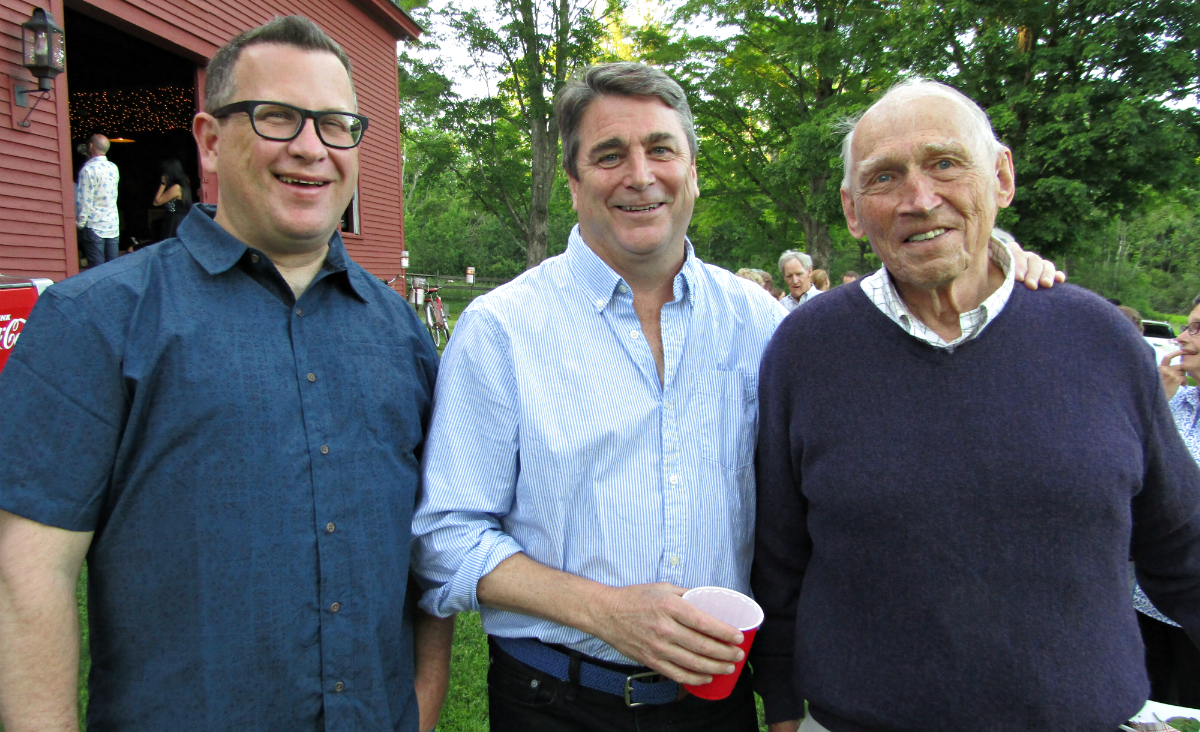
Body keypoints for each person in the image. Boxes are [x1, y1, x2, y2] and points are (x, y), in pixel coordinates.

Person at [411, 63, 1061, 732]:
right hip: (554, 701)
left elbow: (899, 341)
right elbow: (446, 539)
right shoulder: (501, 330)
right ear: (573, 183)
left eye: (662, 149)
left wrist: (999, 260)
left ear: (693, 172)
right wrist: (606, 612)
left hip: (714, 708)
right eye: (610, 155)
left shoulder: (765, 324)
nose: (640, 175)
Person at [0, 16, 452, 732]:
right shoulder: (96, 320)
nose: (311, 148)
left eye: (336, 125)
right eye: (277, 118)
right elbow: (27, 576)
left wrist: (423, 709)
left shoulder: (399, 335)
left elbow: (431, 553)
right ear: (210, 140)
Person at [751, 78, 1200, 732]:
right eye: (884, 178)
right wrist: (785, 705)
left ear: (1002, 178)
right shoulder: (807, 350)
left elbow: (1181, 543)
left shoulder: (1099, 339)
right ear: (852, 210)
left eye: (944, 163)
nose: (919, 198)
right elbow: (779, 555)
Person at [1140, 305, 1200, 708]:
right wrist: (1155, 404)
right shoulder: (1172, 402)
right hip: (1144, 605)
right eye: (1186, 325)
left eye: (1196, 328)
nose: (1181, 337)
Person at [75, 134, 120, 267]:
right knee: (112, 269)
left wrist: (80, 223)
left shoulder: (88, 170)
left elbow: (84, 200)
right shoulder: (113, 168)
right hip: (112, 225)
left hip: (94, 225)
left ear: (91, 146)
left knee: (96, 270)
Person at [153, 158, 193, 241]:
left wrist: (163, 183)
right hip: (178, 220)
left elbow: (156, 202)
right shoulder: (183, 185)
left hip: (174, 221)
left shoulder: (176, 188)